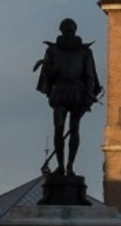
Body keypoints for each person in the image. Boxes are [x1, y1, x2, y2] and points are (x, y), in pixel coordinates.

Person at [35, 19, 102, 176]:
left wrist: (87, 95)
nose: (68, 34)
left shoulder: (85, 52)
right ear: (61, 31)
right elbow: (47, 76)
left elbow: (89, 75)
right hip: (59, 93)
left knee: (74, 128)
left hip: (77, 94)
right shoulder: (52, 51)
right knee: (59, 129)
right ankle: (61, 166)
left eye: (70, 31)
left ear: (75, 31)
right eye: (66, 31)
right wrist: (48, 72)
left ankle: (70, 165)